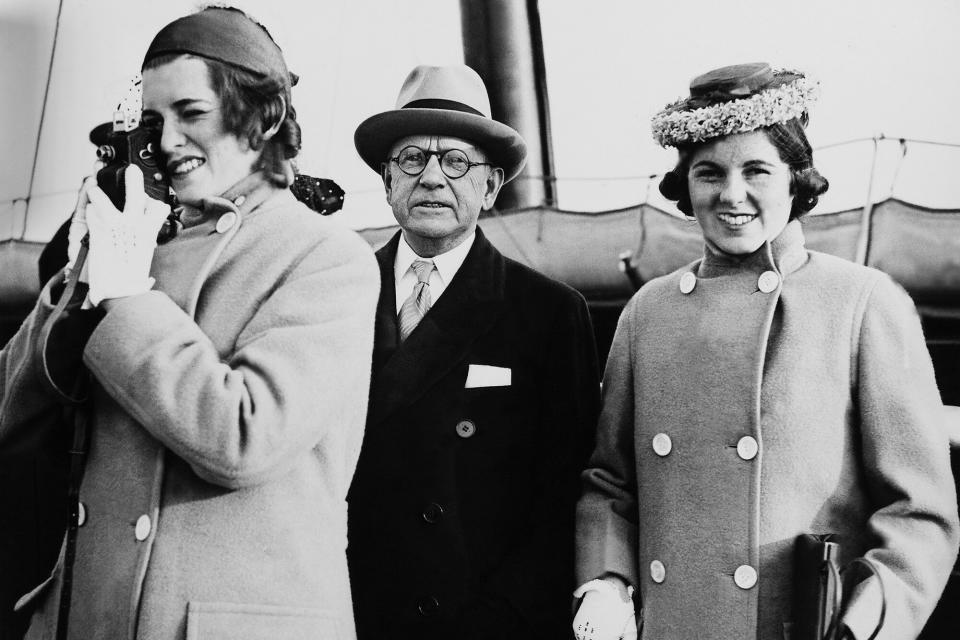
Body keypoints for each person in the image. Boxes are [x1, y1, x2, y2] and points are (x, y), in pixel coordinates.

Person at [0, 6, 379, 639]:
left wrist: (127, 297)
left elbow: (242, 438)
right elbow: (13, 420)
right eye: (154, 121)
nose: (167, 141)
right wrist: (76, 283)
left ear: (266, 117)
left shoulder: (326, 257)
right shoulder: (135, 250)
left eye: (191, 114)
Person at [573, 62, 959, 640]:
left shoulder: (862, 303)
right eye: (708, 173)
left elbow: (920, 511)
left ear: (794, 179)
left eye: (757, 170)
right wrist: (605, 582)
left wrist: (865, 622)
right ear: (686, 187)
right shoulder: (647, 314)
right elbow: (609, 482)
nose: (732, 195)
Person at [347, 64, 601, 640]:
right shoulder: (339, 294)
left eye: (457, 162)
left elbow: (566, 495)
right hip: (353, 614)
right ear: (387, 182)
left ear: (490, 187)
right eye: (412, 159)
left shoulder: (549, 314)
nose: (433, 178)